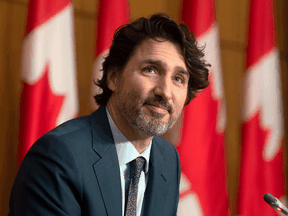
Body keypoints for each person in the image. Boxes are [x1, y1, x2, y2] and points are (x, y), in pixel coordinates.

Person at [8, 13, 209, 216]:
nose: (165, 91)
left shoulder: (167, 158)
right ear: (113, 77)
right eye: (150, 70)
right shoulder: (59, 156)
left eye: (178, 78)